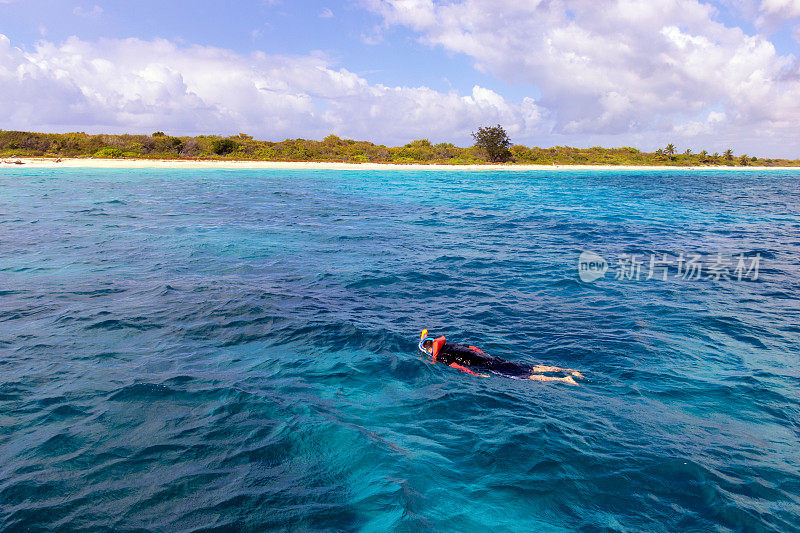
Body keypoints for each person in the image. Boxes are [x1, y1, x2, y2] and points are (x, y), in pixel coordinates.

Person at [418, 330, 583, 384]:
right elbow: (473, 348)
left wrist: (476, 374)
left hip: (485, 366)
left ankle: (563, 380)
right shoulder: (451, 344)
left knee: (525, 376)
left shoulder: (441, 357)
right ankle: (568, 370)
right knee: (527, 367)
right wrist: (483, 355)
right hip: (488, 358)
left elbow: (459, 367)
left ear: (429, 351)